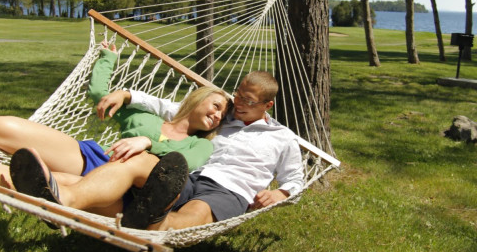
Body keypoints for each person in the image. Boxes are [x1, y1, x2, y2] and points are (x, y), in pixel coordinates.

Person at [0, 44, 230, 250]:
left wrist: (147, 142)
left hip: (123, 189)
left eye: (222, 115)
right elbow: (101, 97)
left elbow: (176, 164)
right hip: (93, 158)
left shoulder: (201, 145)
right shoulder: (147, 113)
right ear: (197, 99)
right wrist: (108, 60)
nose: (217, 115)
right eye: (215, 105)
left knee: (39, 179)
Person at [19, 70, 304, 231]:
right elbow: (172, 109)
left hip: (229, 191)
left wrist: (282, 192)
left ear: (267, 106)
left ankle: (154, 227)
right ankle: (65, 198)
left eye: (249, 101)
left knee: (192, 217)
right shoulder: (223, 114)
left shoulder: (283, 138)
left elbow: (295, 178)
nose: (238, 103)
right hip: (186, 177)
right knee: (139, 160)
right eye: (238, 94)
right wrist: (128, 94)